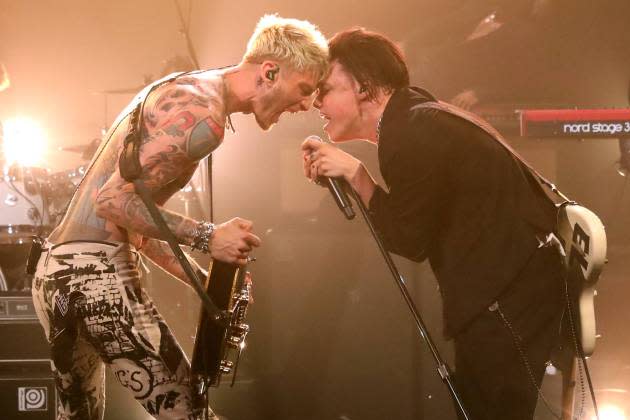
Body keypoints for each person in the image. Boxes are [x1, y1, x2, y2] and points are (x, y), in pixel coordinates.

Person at [31, 15, 328, 420]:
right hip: (96, 277)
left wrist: (204, 279)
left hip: (56, 270)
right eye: (304, 89)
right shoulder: (204, 116)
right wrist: (209, 236)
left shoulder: (185, 87)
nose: (307, 105)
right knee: (191, 415)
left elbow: (135, 219)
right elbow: (112, 202)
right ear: (270, 71)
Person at [302, 28, 564, 420]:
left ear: (363, 86)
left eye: (326, 89)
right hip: (511, 291)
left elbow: (409, 239)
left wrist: (358, 176)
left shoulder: (412, 131)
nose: (315, 102)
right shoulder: (417, 118)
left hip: (506, 296)